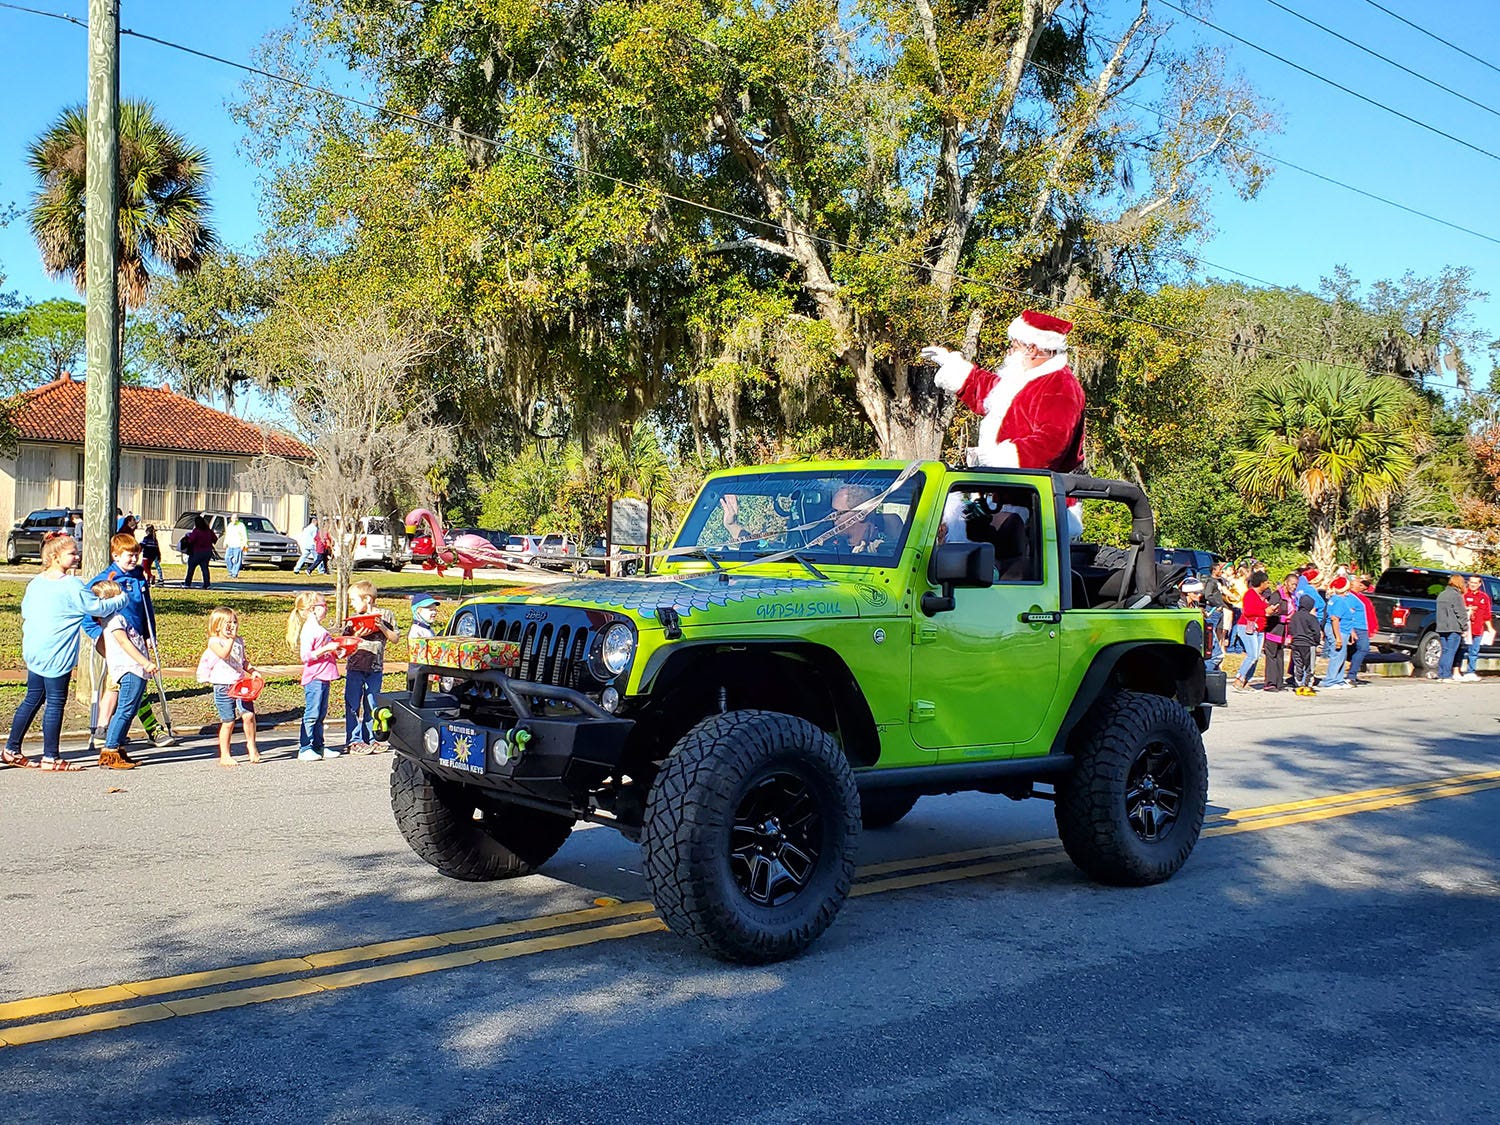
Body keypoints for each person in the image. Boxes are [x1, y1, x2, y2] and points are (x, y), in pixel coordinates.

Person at [923, 309, 1086, 537]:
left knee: (1013, 567)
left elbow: (1052, 443)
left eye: (1014, 346)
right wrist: (953, 367)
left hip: (1035, 507)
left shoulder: (1060, 385)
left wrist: (995, 458)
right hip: (1001, 499)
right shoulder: (1023, 379)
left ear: (1032, 348)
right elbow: (988, 391)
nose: (1009, 351)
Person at [3, 534, 128, 770]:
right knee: (55, 702)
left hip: (35, 649)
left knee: (33, 697)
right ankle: (51, 757)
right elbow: (97, 607)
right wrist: (122, 599)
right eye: (72, 553)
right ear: (54, 556)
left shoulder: (36, 582)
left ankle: (11, 749)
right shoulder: (71, 585)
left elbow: (26, 611)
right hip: (56, 652)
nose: (76, 556)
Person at [82, 532, 176, 759]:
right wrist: (100, 637)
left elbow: (146, 608)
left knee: (132, 685)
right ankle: (112, 733)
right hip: (114, 640)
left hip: (135, 638)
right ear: (115, 555)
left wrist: (148, 633)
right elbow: (88, 614)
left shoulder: (139, 577)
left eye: (136, 555)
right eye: (129, 556)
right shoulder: (106, 579)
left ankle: (109, 731)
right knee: (124, 684)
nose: (133, 559)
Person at [94, 579, 157, 771]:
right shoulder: (114, 620)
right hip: (130, 669)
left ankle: (118, 748)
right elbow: (124, 643)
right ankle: (110, 750)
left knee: (130, 710)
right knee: (125, 710)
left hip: (134, 669)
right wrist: (144, 662)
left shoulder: (117, 617)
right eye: (119, 595)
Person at [197, 607, 261, 767]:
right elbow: (224, 654)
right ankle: (225, 754)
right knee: (228, 721)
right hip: (222, 685)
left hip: (240, 684)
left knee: (248, 716)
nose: (232, 626)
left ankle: (252, 746)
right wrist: (231, 639)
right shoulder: (214, 641)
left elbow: (242, 660)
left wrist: (252, 671)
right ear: (217, 625)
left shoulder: (239, 640)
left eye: (234, 622)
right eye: (227, 623)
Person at [342, 580, 397, 755]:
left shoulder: (385, 615)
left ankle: (371, 738)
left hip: (375, 667)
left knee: (372, 703)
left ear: (367, 599)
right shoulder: (353, 620)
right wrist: (356, 635)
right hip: (355, 666)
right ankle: (354, 740)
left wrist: (381, 628)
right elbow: (344, 643)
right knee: (352, 704)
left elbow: (395, 638)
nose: (352, 604)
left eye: (353, 600)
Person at [288, 591, 343, 760]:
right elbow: (306, 656)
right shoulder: (309, 629)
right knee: (312, 713)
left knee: (321, 713)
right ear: (313, 609)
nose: (326, 608)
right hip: (315, 677)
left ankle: (318, 746)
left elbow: (326, 650)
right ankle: (305, 747)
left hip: (325, 675)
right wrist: (327, 649)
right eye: (324, 605)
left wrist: (337, 651)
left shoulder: (320, 629)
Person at [1232, 570, 1270, 692]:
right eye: (1267, 582)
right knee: (1252, 655)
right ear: (1261, 583)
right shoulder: (1250, 594)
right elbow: (1248, 611)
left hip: (1260, 628)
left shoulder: (1262, 597)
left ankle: (1246, 681)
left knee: (1257, 656)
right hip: (1247, 626)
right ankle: (1239, 678)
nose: (1268, 584)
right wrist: (1264, 612)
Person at [1320, 576, 1361, 690]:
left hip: (1344, 630)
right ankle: (1330, 680)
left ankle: (1338, 679)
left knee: (1341, 655)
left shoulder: (1334, 599)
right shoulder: (1339, 601)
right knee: (1337, 655)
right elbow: (1335, 619)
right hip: (1339, 630)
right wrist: (1338, 637)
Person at [1260, 575, 1293, 691]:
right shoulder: (1276, 596)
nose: (1293, 587)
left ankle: (1279, 682)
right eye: (1291, 584)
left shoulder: (1290, 597)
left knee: (1280, 657)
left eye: (1295, 585)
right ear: (1285, 583)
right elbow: (1269, 612)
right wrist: (1283, 618)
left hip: (1283, 633)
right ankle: (1270, 683)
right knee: (1271, 657)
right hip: (1273, 631)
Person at [1434, 574, 1468, 682]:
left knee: (1444, 651)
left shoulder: (1442, 594)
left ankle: (1441, 674)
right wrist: (1465, 627)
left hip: (1441, 627)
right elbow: (1461, 613)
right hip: (1454, 628)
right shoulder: (1456, 596)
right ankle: (1447, 675)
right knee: (1451, 652)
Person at [1347, 574, 1378, 686]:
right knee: (1363, 648)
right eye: (1358, 582)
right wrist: (1351, 629)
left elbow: (1370, 588)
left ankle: (1352, 675)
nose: (1361, 584)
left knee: (1358, 650)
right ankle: (1351, 675)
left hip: (1363, 626)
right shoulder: (1350, 597)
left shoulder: (1360, 596)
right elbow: (1348, 614)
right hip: (1357, 626)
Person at [1462, 574, 1493, 682]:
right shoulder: (1463, 595)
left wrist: (1490, 628)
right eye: (1471, 582)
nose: (1473, 585)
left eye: (1476, 583)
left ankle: (1470, 671)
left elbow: (1487, 614)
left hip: (1477, 628)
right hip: (1464, 629)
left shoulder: (1484, 597)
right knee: (1461, 650)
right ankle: (1457, 671)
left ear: (1479, 584)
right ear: (1468, 582)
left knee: (1474, 651)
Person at [1289, 594, 1321, 696]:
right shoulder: (1311, 618)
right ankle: (1308, 685)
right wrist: (1317, 642)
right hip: (1308, 644)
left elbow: (1290, 628)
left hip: (1296, 643)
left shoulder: (1294, 616)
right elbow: (1316, 632)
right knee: (1309, 666)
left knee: (1298, 664)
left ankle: (1298, 685)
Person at [181, 515, 217, 590]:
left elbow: (191, 540)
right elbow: (215, 539)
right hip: (207, 552)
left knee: (191, 569)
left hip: (196, 552)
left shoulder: (196, 531)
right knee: (205, 569)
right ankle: (207, 584)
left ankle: (187, 583)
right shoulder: (208, 531)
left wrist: (188, 536)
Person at [221, 515, 249, 580]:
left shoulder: (241, 525)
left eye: (236, 518)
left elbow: (244, 535)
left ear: (238, 519)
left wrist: (244, 544)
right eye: (233, 518)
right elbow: (227, 535)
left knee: (237, 560)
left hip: (238, 545)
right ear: (231, 519)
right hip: (230, 545)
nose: (235, 519)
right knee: (227, 558)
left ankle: (234, 574)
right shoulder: (230, 525)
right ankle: (230, 572)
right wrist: (225, 543)